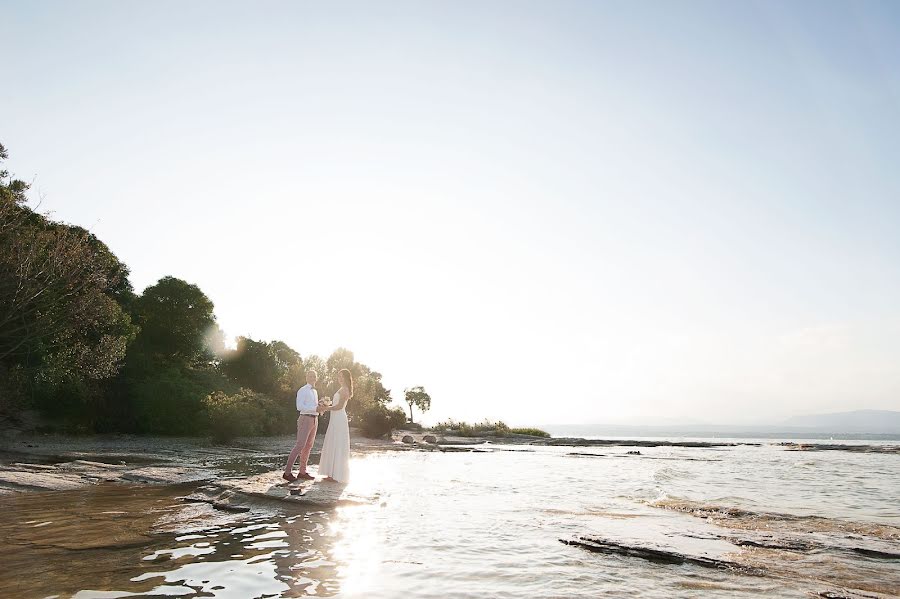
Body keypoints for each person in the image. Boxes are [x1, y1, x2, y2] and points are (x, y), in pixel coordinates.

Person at [283, 370, 321, 482]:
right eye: (310, 376)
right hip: (305, 418)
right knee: (300, 445)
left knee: (308, 446)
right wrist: (315, 408)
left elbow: (314, 406)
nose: (312, 378)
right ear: (306, 377)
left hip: (315, 419)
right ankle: (287, 472)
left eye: (314, 376)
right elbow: (299, 406)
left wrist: (321, 408)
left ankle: (302, 472)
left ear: (316, 378)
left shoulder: (315, 392)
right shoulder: (303, 390)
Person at [318, 368, 353, 483]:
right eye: (339, 376)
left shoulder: (345, 390)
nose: (340, 378)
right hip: (334, 418)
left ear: (347, 377)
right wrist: (325, 404)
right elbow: (335, 405)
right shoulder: (341, 389)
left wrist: (326, 408)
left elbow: (339, 406)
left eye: (342, 376)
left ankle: (336, 474)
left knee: (337, 443)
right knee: (332, 441)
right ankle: (331, 473)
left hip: (339, 418)